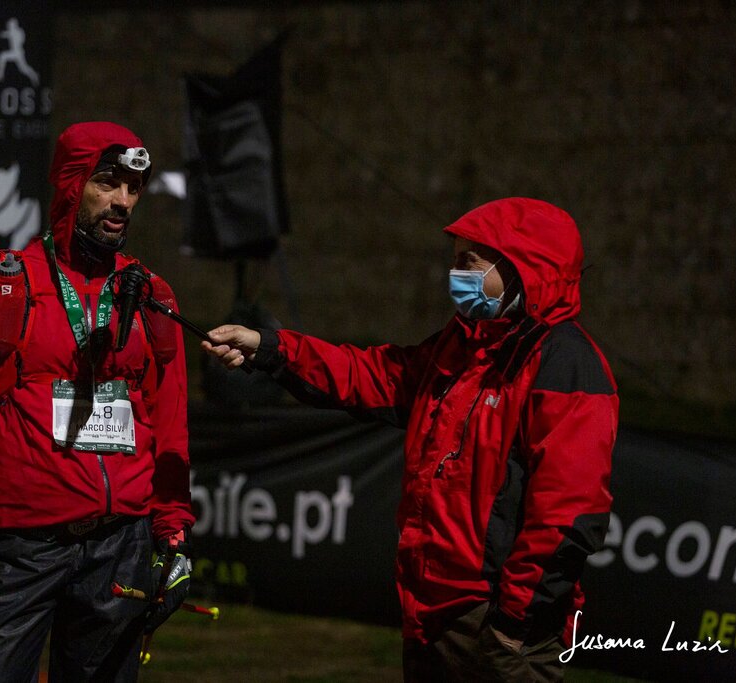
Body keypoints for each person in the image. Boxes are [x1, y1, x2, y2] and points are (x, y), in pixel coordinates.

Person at [202, 197, 617, 682]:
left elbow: (568, 516)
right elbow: (371, 375)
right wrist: (271, 348)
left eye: (469, 262)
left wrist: (511, 626)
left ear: (522, 268)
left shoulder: (566, 365)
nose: (455, 274)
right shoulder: (462, 344)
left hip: (497, 625)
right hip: (432, 610)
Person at [0, 121, 194, 682]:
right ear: (72, 184)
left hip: (120, 548)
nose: (121, 202)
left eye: (132, 189)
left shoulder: (153, 298)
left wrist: (173, 536)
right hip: (20, 552)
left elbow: (170, 425)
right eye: (107, 183)